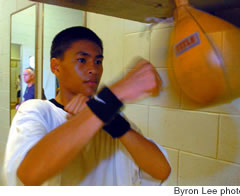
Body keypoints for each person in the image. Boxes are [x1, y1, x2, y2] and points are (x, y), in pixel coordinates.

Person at [3, 26, 171, 186]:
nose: (93, 69)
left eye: (98, 61)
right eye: (82, 60)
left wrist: (111, 119)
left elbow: (161, 171)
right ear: (55, 66)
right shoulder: (38, 111)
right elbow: (29, 174)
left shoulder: (109, 117)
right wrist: (113, 95)